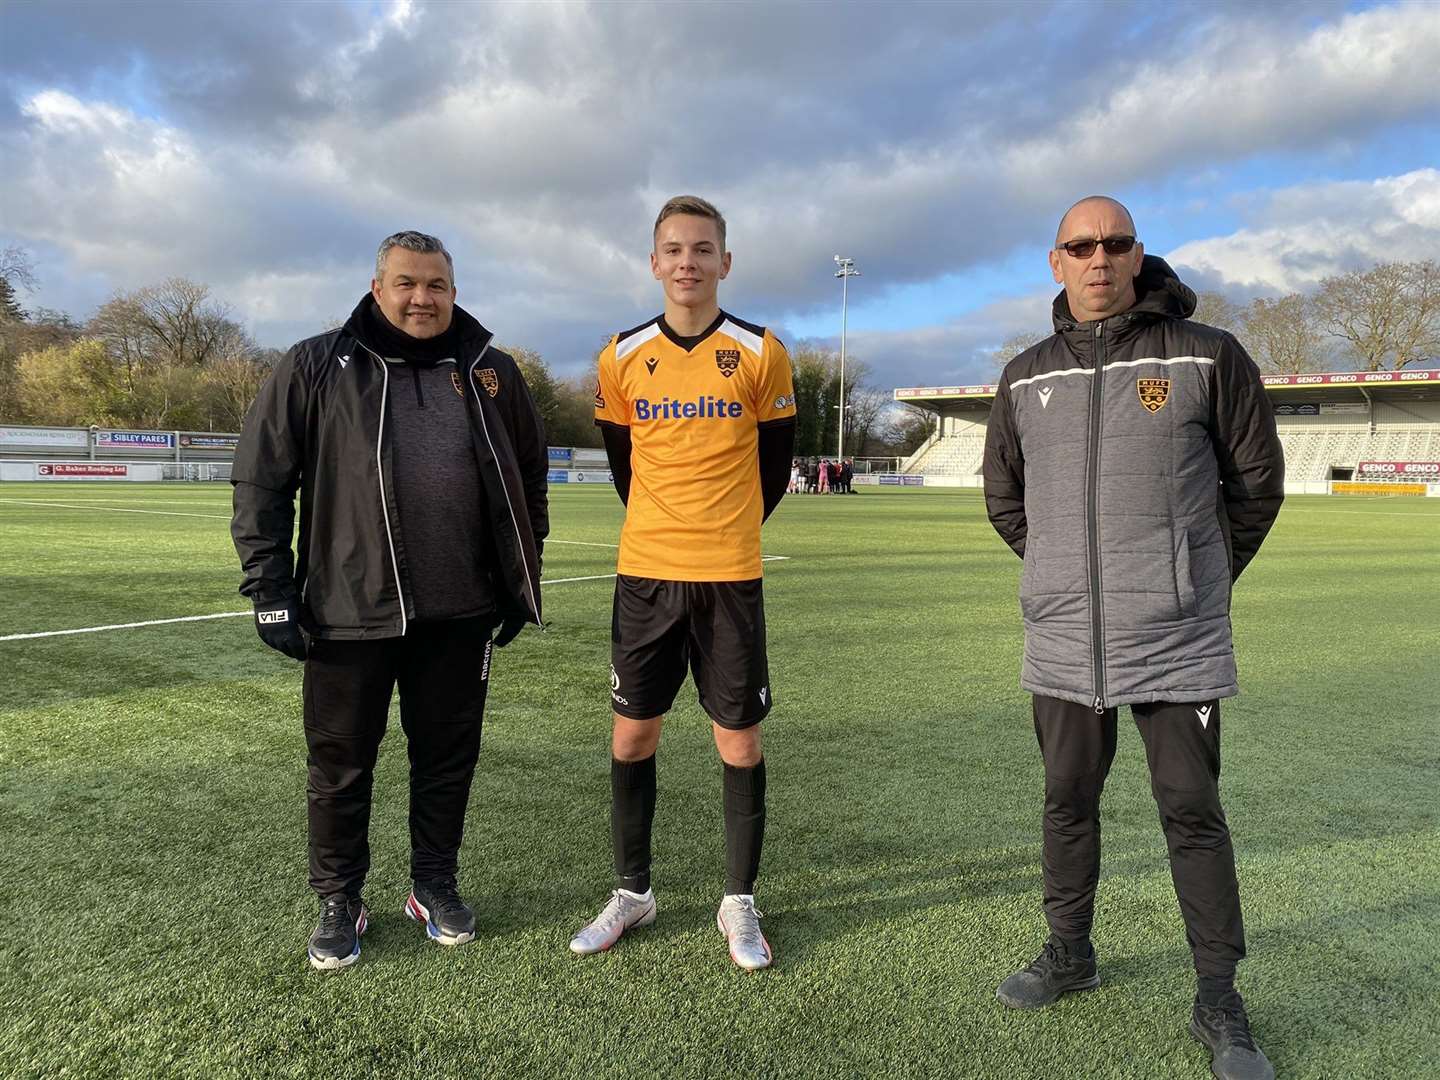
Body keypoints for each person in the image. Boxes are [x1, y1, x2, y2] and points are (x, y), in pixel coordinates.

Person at [982, 197, 1283, 1080]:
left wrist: (1194, 578)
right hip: (1064, 638)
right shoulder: (1025, 375)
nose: (1099, 259)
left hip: (1177, 639)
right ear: (1056, 261)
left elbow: (1254, 485)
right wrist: (1061, 579)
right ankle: (1070, 954)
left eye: (1115, 244)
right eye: (1082, 246)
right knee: (1067, 800)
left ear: (1137, 253)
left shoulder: (1208, 355)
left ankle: (1218, 997)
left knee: (1192, 813)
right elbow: (1006, 500)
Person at [231, 230, 548, 971]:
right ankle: (339, 899)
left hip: (461, 614)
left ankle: (434, 885)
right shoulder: (316, 364)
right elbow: (262, 482)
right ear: (378, 288)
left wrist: (516, 578)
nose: (421, 298)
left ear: (454, 293)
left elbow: (527, 481)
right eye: (406, 283)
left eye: (436, 285)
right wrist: (270, 589)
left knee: (447, 760)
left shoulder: (490, 371)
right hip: (347, 613)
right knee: (341, 764)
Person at [571, 195, 796, 970]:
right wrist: (668, 531)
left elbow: (774, 471)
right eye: (673, 249)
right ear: (655, 262)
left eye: (702, 249)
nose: (687, 262)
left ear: (724, 262)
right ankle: (633, 892)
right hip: (646, 577)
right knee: (632, 733)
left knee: (738, 740)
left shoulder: (762, 352)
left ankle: (739, 901)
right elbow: (625, 467)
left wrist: (724, 530)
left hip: (730, 577)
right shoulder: (621, 356)